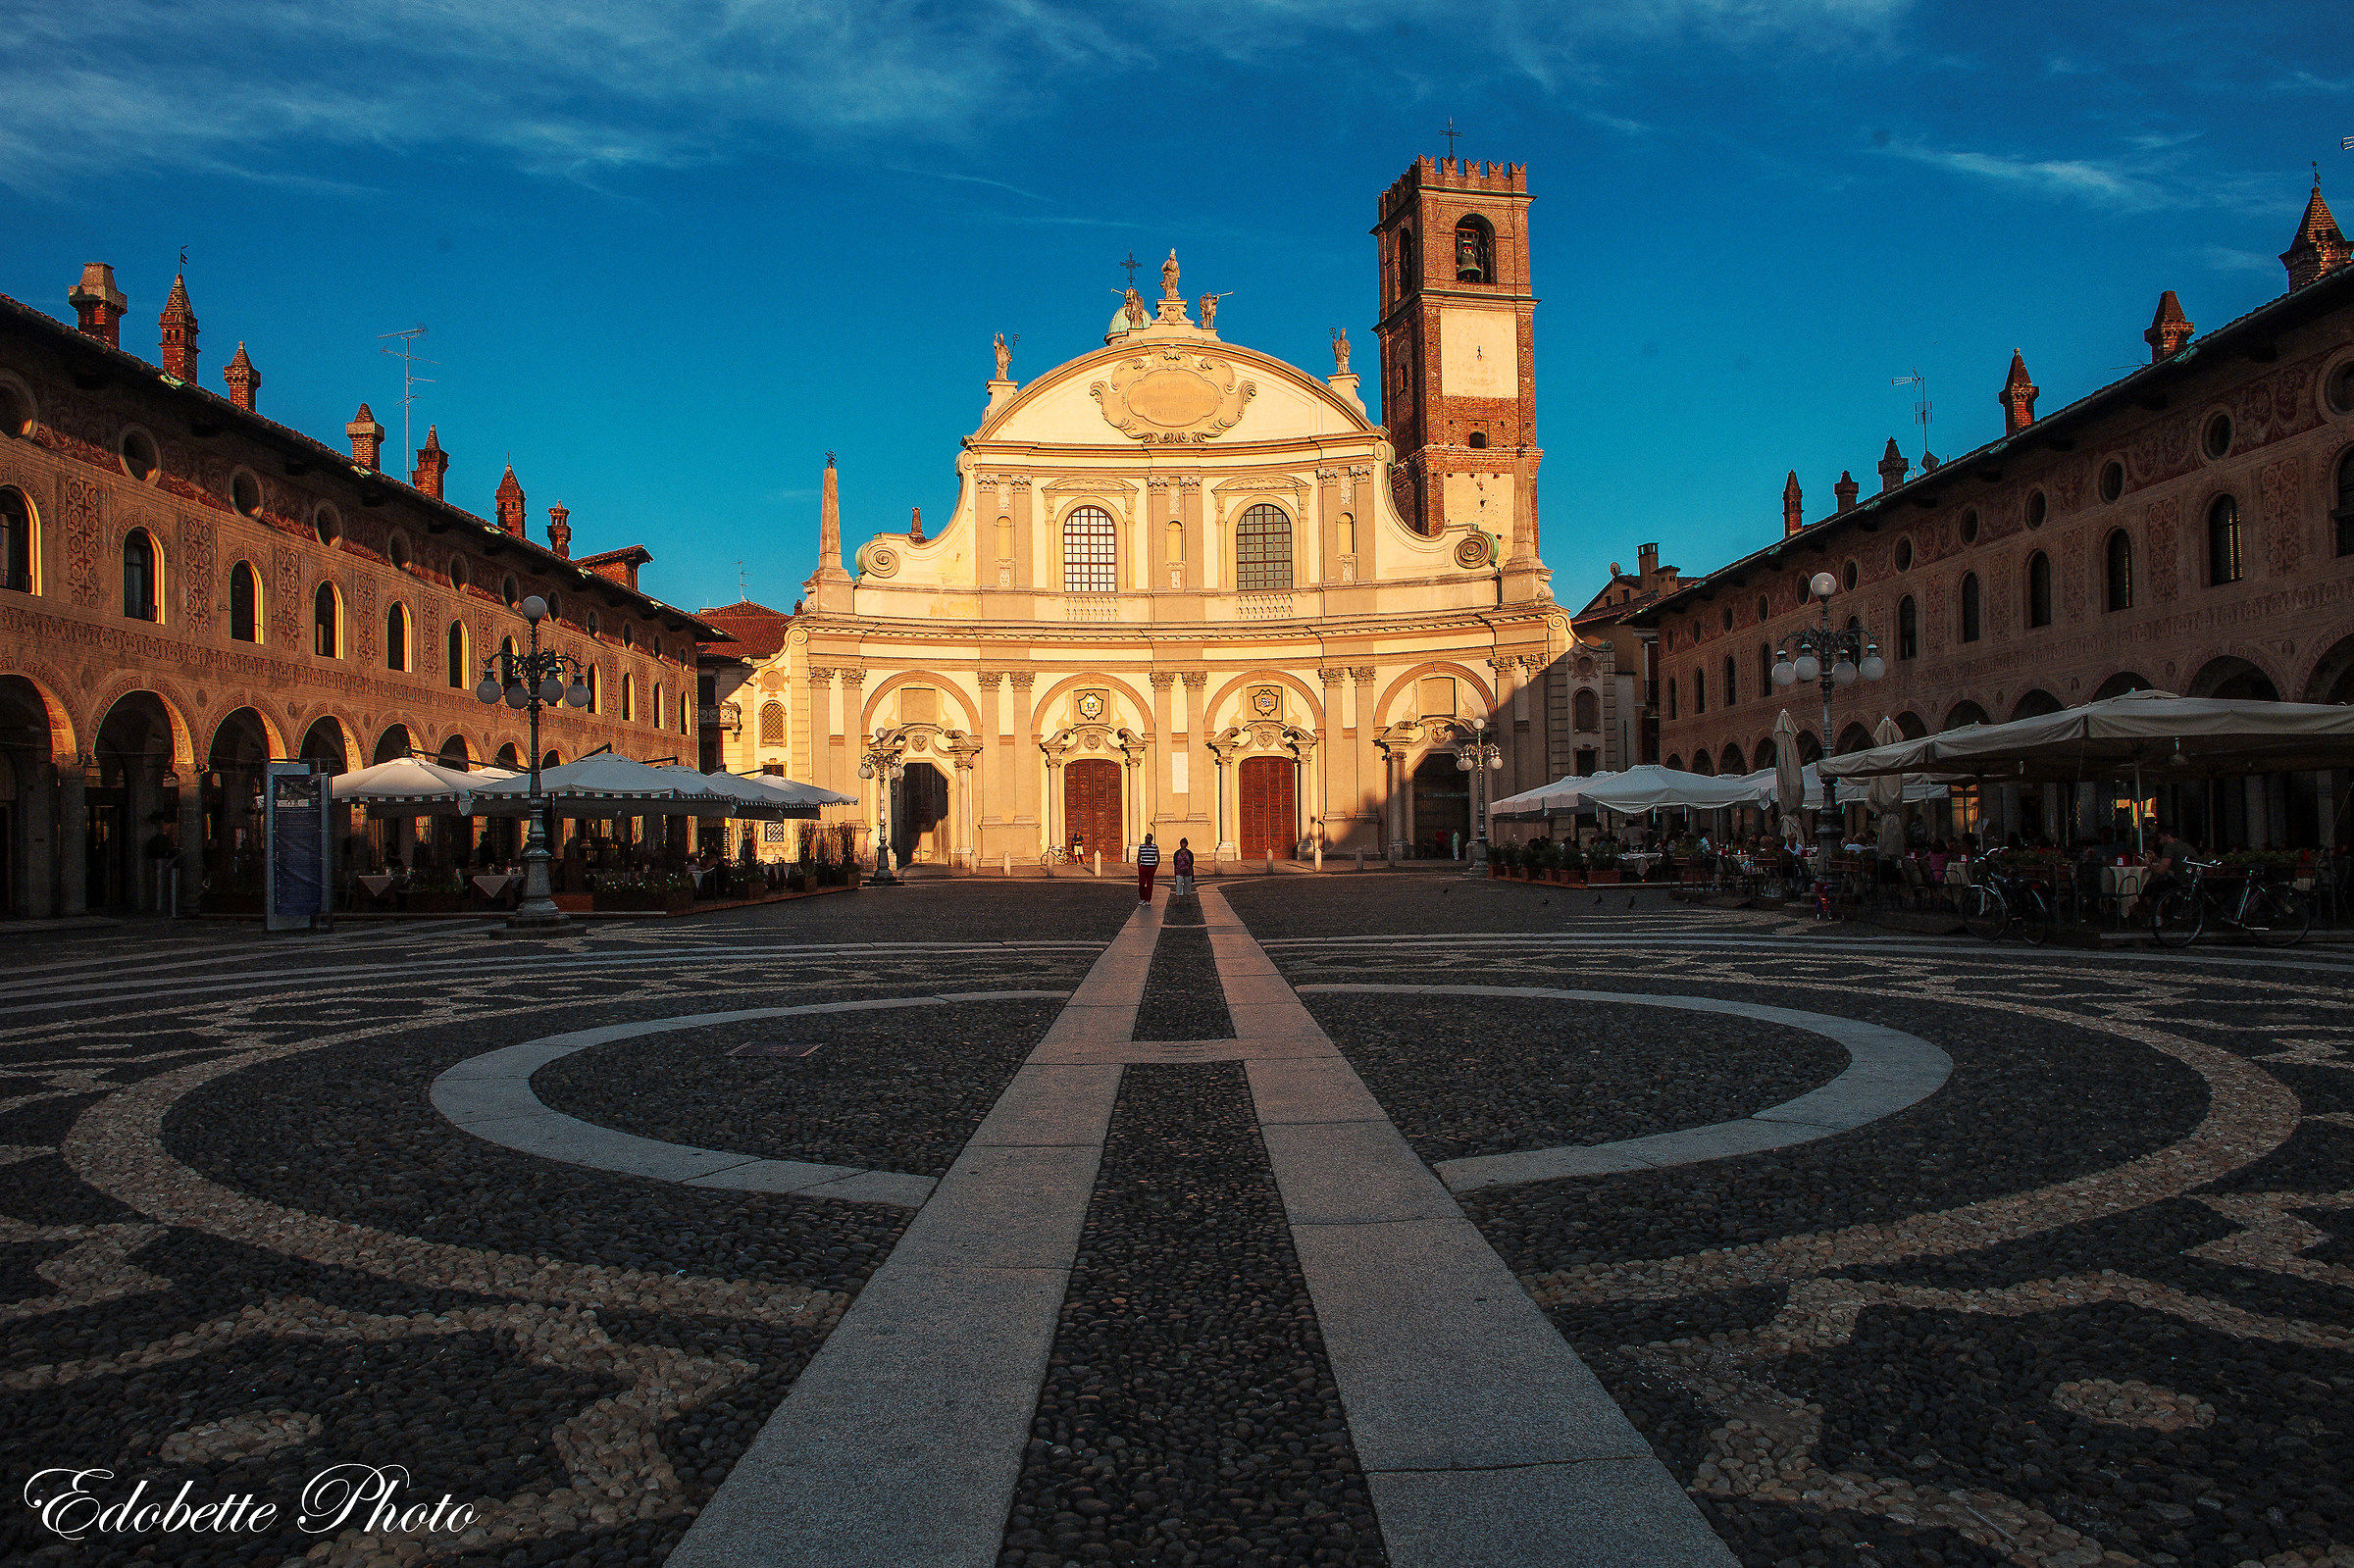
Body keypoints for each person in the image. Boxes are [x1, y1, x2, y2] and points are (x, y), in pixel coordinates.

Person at [1137, 832, 1160, 901]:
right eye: (1146, 838)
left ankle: (1148, 899)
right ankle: (1142, 898)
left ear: (1151, 839)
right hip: (1143, 867)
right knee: (1141, 884)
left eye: (1148, 838)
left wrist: (1155, 867)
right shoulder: (1141, 846)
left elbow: (1158, 858)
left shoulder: (1155, 847)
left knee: (1149, 884)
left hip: (1151, 867)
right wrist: (1139, 867)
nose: (1146, 839)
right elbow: (1138, 857)